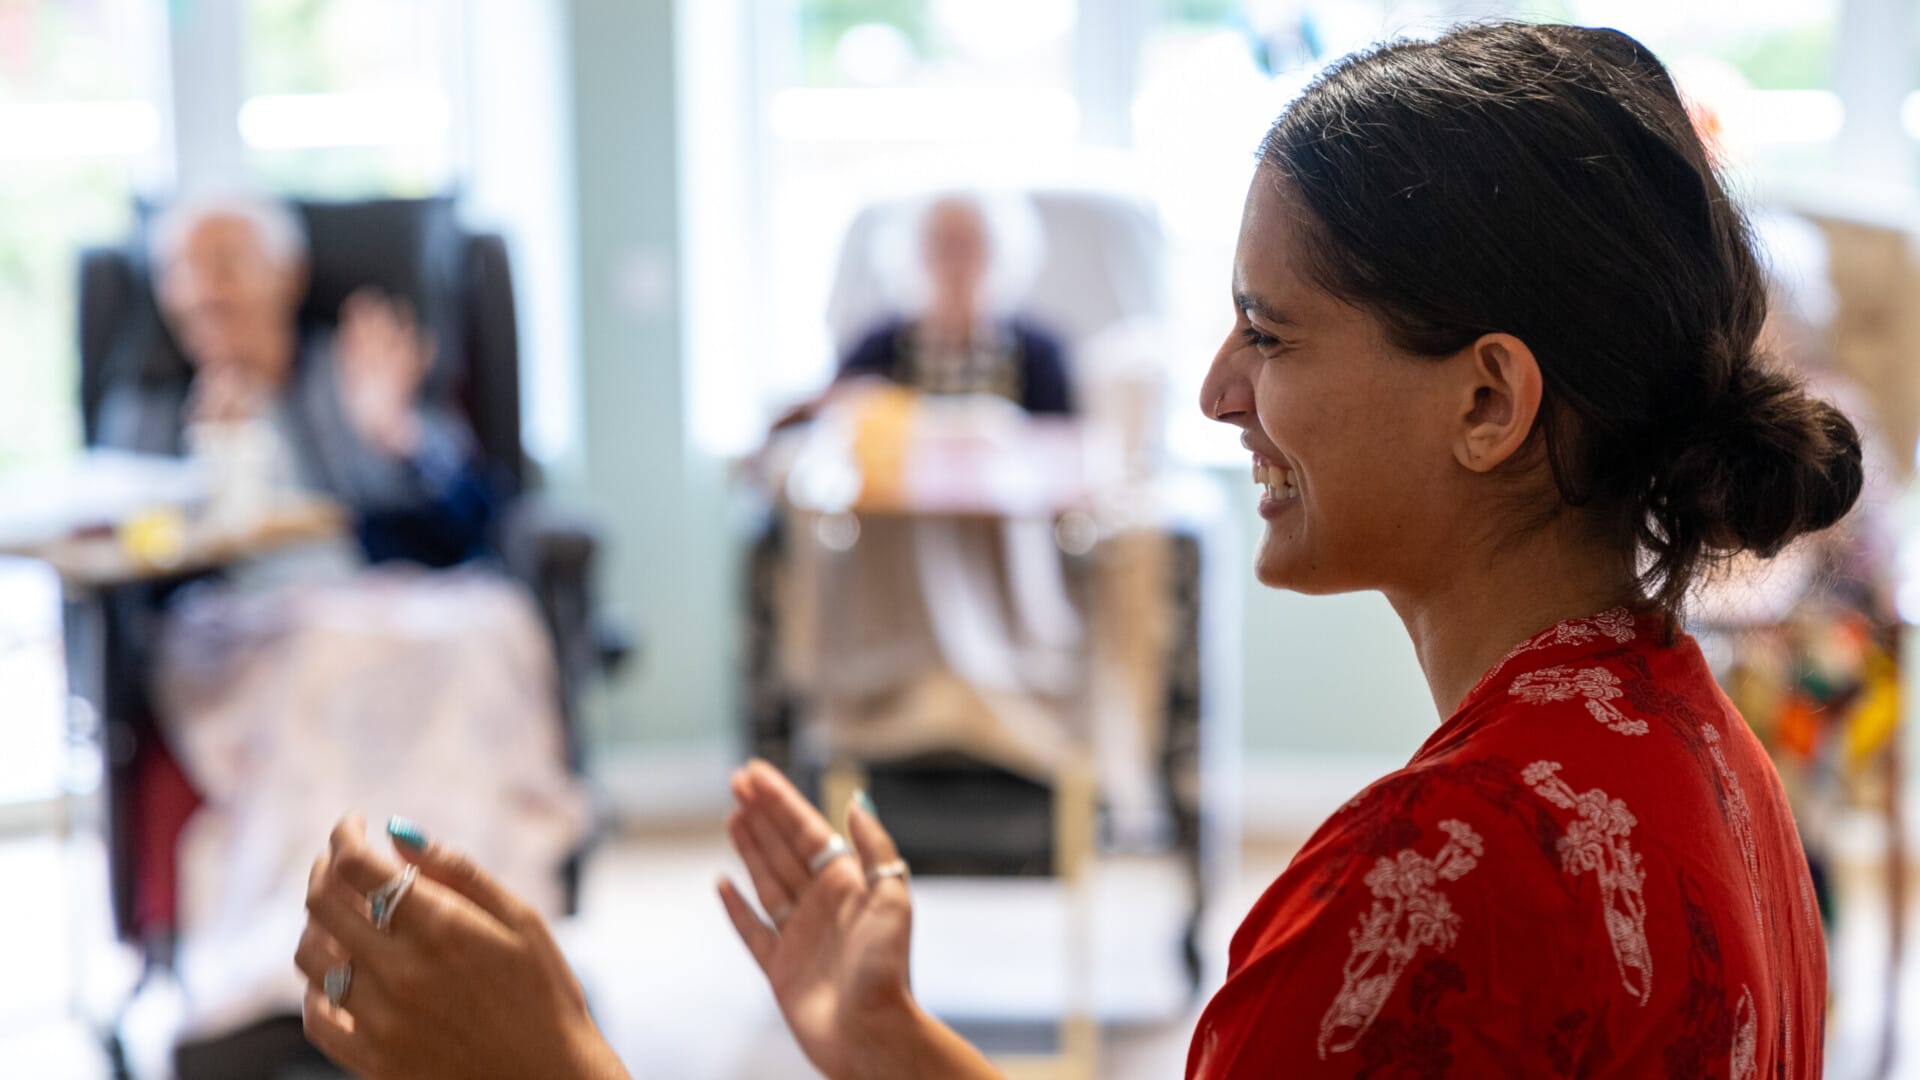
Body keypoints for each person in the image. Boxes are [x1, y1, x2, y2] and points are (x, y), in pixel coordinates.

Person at [293, 22, 1856, 1078]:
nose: (1215, 391)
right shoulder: (1699, 757)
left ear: (1489, 399)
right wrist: (902, 1045)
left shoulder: (1430, 895)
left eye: (1269, 333)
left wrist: (558, 1065)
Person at [101, 195, 588, 1057]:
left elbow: (473, 528)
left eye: (226, 265)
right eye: (182, 271)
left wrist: (395, 431)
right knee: (323, 659)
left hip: (383, 609)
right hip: (243, 635)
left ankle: (467, 936)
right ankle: (295, 964)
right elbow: (133, 574)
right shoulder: (151, 412)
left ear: (287, 277)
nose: (201, 292)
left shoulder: (356, 370)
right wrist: (198, 477)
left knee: (485, 627)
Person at [773, 193, 1074, 430]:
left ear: (998, 252)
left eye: (969, 246)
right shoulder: (878, 346)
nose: (955, 264)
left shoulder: (1040, 352)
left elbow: (1066, 444)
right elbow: (819, 417)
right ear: (915, 253)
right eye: (942, 246)